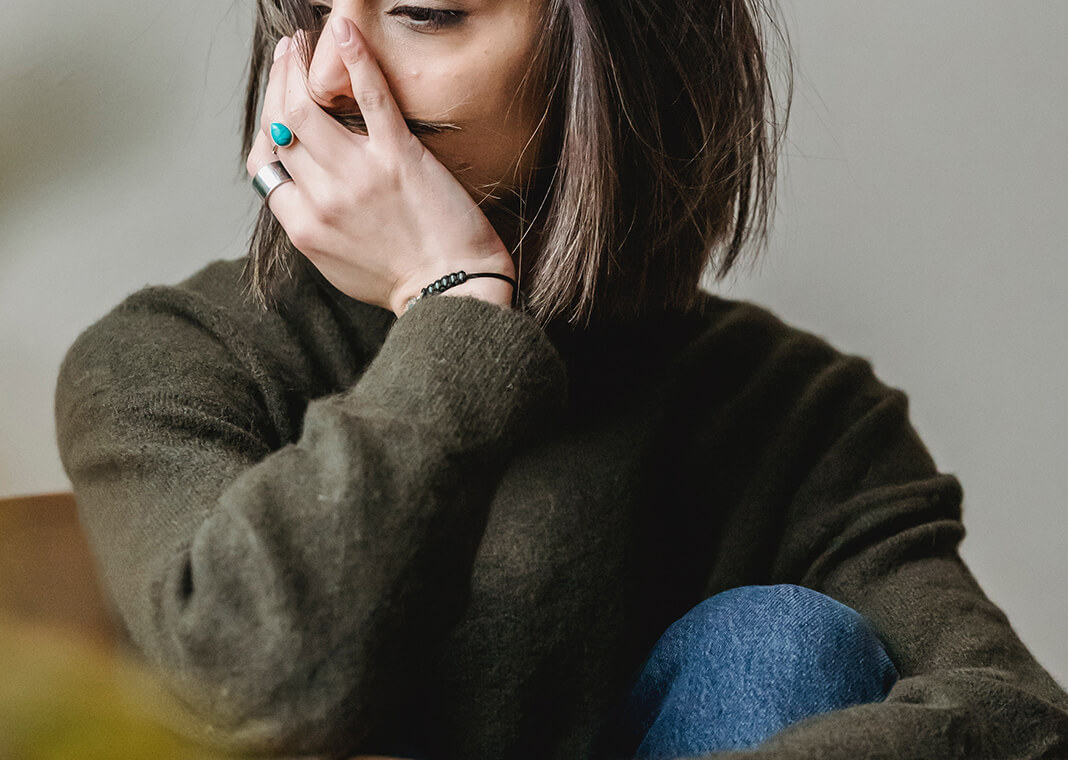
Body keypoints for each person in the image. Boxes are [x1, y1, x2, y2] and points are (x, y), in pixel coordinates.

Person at [54, 0, 1068, 758]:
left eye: (426, 13)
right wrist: (454, 315)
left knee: (780, 644)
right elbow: (253, 693)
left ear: (611, 46)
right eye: (310, 12)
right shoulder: (173, 357)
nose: (327, 75)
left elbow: (1017, 718)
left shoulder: (789, 409)